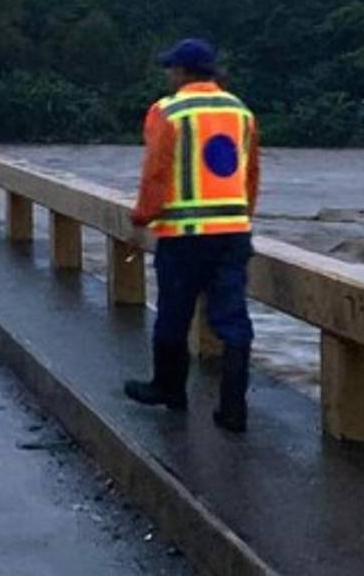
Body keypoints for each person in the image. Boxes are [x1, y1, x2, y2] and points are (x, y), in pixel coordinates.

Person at [123, 38, 260, 433]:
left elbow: (157, 172)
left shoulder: (168, 112)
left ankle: (168, 389)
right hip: (232, 234)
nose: (169, 75)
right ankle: (233, 410)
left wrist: (141, 218)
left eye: (172, 69)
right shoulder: (241, 112)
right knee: (234, 321)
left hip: (184, 237)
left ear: (182, 72)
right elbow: (250, 176)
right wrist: (242, 219)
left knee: (174, 314)